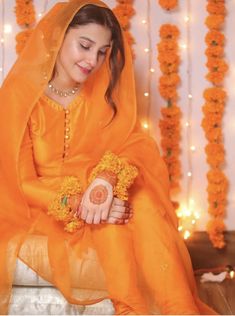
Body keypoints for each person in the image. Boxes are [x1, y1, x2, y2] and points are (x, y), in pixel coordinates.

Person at [0, 0, 217, 314]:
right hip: (44, 206)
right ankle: (131, 309)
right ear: (59, 36)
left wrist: (105, 182)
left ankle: (181, 310)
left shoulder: (101, 94)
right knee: (111, 222)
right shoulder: (19, 97)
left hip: (96, 192)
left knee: (141, 202)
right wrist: (82, 205)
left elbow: (131, 144)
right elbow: (21, 182)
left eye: (102, 52)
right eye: (85, 46)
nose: (93, 60)